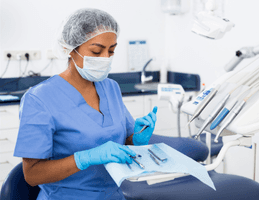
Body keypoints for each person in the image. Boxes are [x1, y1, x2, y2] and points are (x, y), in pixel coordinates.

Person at [13, 8, 158, 200]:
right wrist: (84, 158)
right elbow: (32, 175)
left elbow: (122, 143)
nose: (106, 58)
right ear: (71, 49)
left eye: (111, 51)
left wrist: (136, 139)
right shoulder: (40, 99)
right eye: (96, 51)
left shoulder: (110, 87)